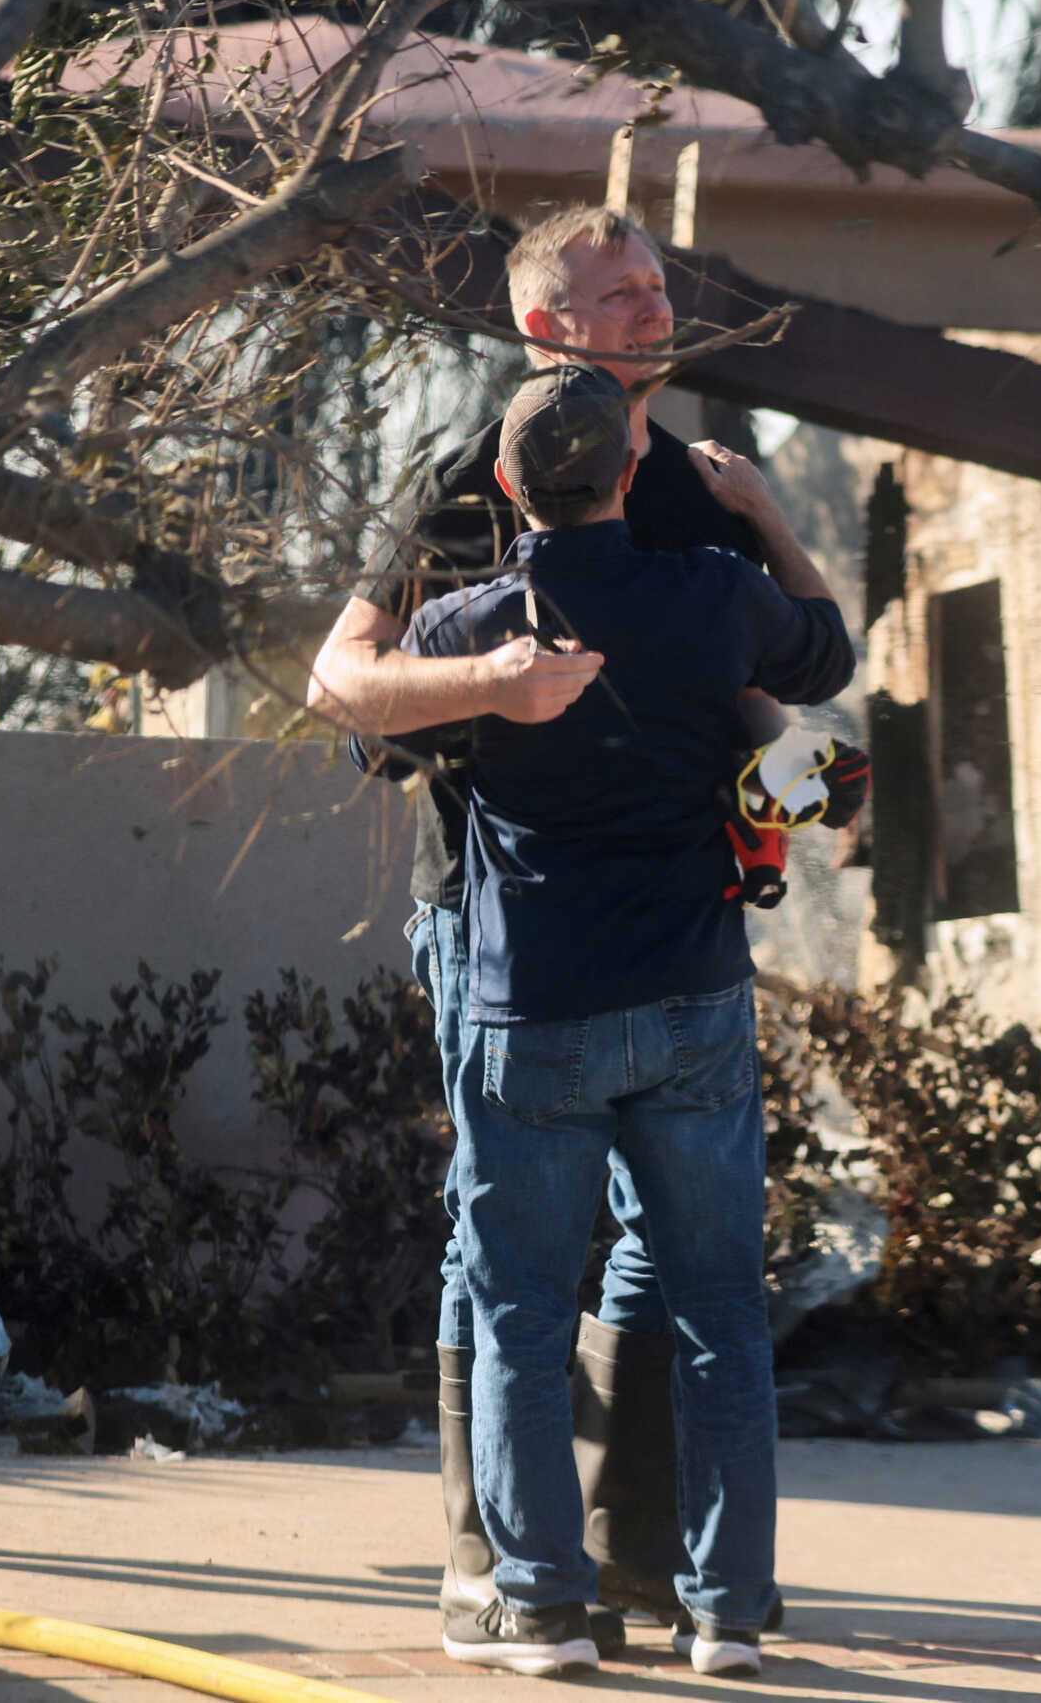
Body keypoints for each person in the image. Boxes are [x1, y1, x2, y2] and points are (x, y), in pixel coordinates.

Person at [306, 204, 841, 1636]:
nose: (655, 308)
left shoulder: (706, 500)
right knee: (501, 1258)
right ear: (547, 331)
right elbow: (339, 683)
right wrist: (492, 685)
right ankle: (489, 1557)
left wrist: (797, 806)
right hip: (489, 925)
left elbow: (780, 703)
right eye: (619, 294)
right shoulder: (469, 486)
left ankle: (620, 1554)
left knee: (660, 1253)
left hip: (680, 936)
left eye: (660, 284)